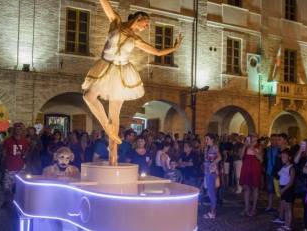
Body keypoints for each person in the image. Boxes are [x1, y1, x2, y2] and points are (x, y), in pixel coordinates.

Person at [81, 0, 183, 163]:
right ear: (139, 18)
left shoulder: (136, 39)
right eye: (146, 23)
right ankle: (109, 130)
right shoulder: (116, 22)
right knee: (88, 96)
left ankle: (113, 157)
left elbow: (156, 51)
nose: (146, 27)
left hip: (122, 71)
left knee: (115, 114)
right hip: (106, 66)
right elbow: (105, 5)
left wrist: (173, 48)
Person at [1, 122, 29, 209]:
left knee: (19, 186)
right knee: (7, 186)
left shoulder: (25, 141)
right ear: (14, 130)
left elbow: (26, 152)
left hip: (20, 167)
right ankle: (7, 201)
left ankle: (18, 202)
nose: (18, 130)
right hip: (10, 166)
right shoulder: (8, 140)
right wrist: (4, 164)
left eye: (19, 129)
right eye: (16, 129)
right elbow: (4, 153)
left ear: (21, 130)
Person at [239, 135, 263, 217]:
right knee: (246, 187)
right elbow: (241, 156)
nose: (252, 138)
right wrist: (245, 146)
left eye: (254, 136)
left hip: (255, 168)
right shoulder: (246, 146)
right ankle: (246, 208)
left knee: (255, 187)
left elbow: (261, 159)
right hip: (246, 167)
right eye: (251, 136)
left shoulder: (259, 146)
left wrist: (253, 149)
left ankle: (254, 208)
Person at [274, 149, 296, 231]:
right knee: (284, 207)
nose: (282, 158)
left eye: (284, 156)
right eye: (282, 156)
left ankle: (288, 226)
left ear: (289, 157)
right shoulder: (284, 166)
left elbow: (291, 182)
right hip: (283, 188)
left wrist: (283, 189)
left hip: (288, 189)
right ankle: (286, 224)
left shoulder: (291, 168)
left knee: (288, 208)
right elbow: (279, 175)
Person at [203, 134, 221, 219]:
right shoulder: (206, 148)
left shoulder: (214, 147)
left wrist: (212, 164)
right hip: (207, 171)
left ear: (212, 139)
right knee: (210, 192)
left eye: (207, 139)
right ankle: (212, 211)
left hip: (212, 172)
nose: (206, 141)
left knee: (211, 192)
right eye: (205, 139)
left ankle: (212, 212)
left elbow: (219, 157)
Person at [264, 134, 281, 212]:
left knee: (278, 191)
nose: (274, 141)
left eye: (275, 139)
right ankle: (269, 205)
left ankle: (279, 207)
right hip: (269, 172)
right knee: (269, 190)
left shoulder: (280, 149)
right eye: (272, 139)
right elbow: (265, 160)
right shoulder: (267, 149)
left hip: (278, 173)